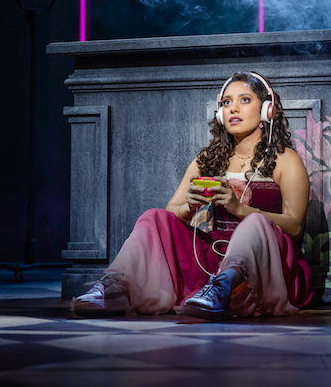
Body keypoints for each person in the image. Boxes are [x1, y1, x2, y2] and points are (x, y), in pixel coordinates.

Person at [70, 71, 314, 320]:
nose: (233, 108)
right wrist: (189, 206)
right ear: (220, 114)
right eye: (226, 102)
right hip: (211, 260)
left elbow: (295, 228)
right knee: (153, 216)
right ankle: (114, 289)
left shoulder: (286, 160)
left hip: (267, 266)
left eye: (244, 100)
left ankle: (223, 289)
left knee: (255, 222)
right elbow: (170, 213)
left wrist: (241, 210)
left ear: (267, 110)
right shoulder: (207, 159)